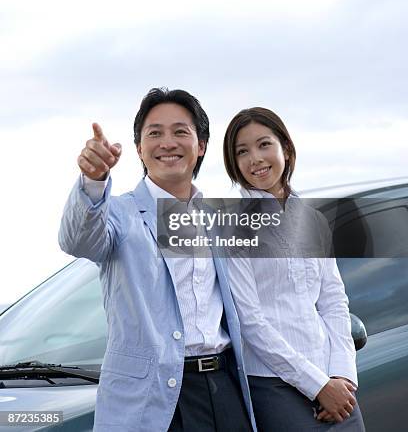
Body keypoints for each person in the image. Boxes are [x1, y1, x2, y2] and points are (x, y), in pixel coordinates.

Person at [59, 88, 255, 432]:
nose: (168, 142)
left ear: (202, 145)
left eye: (181, 132)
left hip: (224, 387)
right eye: (155, 133)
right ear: (139, 148)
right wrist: (93, 179)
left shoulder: (217, 218)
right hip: (151, 399)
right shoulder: (118, 212)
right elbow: (77, 239)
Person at [223, 107, 366, 431]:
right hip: (274, 386)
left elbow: (333, 300)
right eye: (242, 152)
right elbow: (250, 322)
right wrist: (317, 386)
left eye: (263, 145)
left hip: (334, 380)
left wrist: (342, 375)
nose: (255, 159)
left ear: (285, 148)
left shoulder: (312, 220)